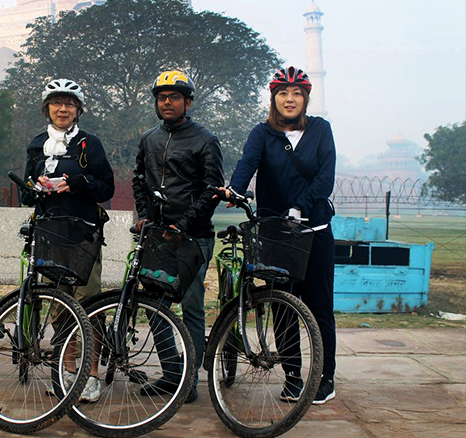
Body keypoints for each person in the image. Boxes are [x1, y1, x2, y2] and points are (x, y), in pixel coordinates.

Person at [222, 66, 337, 405]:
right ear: (273, 98)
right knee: (282, 306)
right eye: (283, 93)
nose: (290, 99)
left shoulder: (320, 130)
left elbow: (325, 178)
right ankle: (293, 376)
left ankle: (325, 377)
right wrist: (234, 189)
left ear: (305, 98)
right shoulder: (262, 133)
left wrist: (300, 206)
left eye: (297, 93)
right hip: (276, 233)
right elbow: (248, 163)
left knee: (319, 307)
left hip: (314, 231)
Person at [133, 70, 224, 404]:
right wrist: (144, 216)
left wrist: (182, 225)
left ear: (187, 102)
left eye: (174, 97)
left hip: (193, 237)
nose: (167, 102)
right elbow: (139, 179)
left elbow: (212, 189)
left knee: (191, 307)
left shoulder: (205, 140)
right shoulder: (149, 139)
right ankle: (172, 373)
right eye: (162, 98)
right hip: (157, 235)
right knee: (154, 307)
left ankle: (189, 379)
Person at [21, 78, 115, 403]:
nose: (63, 109)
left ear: (78, 109)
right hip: (50, 233)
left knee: (88, 305)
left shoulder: (90, 144)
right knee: (60, 306)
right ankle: (68, 370)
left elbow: (106, 187)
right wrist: (35, 187)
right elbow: (25, 194)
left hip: (84, 234)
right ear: (47, 108)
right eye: (57, 103)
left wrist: (77, 182)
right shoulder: (37, 145)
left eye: (69, 103)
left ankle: (92, 374)